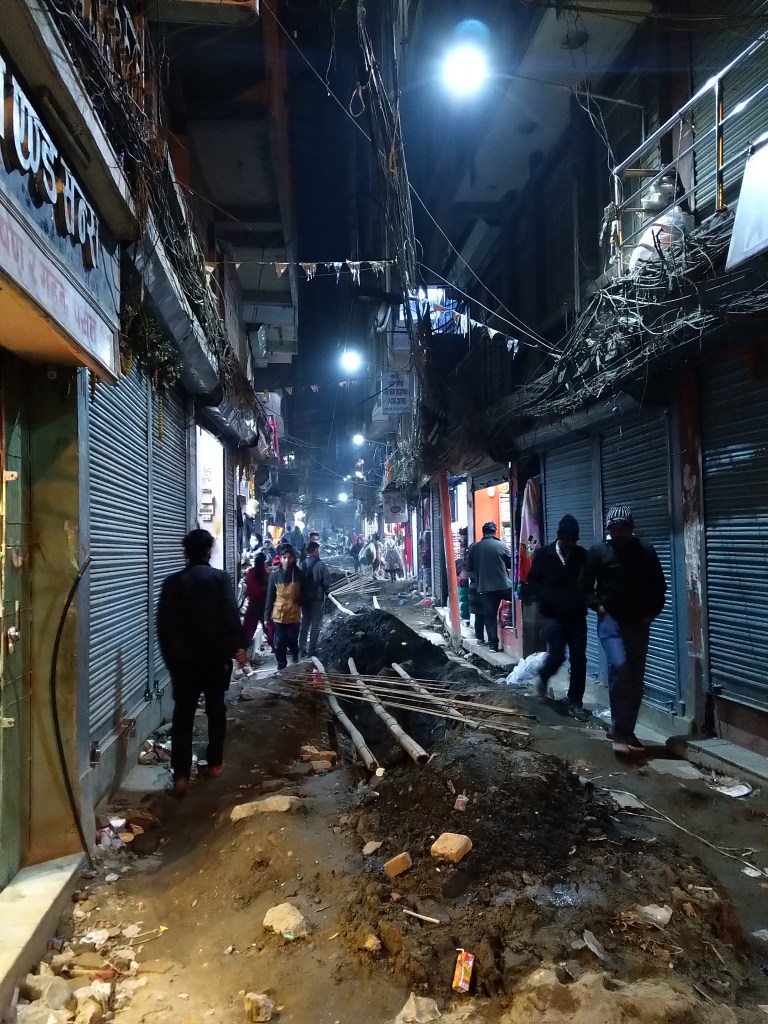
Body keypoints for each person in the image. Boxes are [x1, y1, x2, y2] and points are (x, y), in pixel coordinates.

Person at [156, 529, 246, 798]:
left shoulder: (172, 583)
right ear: (208, 551)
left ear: (186, 552)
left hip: (183, 662)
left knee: (182, 716)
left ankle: (181, 775)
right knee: (216, 708)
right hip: (215, 658)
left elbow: (163, 626)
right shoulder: (220, 579)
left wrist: (171, 661)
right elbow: (230, 614)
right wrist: (239, 647)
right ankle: (215, 762)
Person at [580, 504, 667, 755]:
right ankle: (619, 732)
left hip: (639, 621)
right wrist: (599, 607)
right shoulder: (599, 552)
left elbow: (658, 585)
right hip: (611, 620)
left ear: (631, 528)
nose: (618, 533)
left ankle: (627, 730)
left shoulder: (646, 550)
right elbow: (584, 586)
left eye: (623, 528)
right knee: (619, 667)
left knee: (636, 677)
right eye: (614, 529)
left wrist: (652, 613)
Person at [528, 514, 589, 719]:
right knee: (557, 654)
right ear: (559, 537)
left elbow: (590, 581)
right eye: (566, 540)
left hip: (576, 616)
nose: (569, 545)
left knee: (579, 658)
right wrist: (543, 597)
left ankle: (575, 701)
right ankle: (544, 675)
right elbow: (532, 581)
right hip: (553, 615)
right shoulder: (544, 555)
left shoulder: (582, 556)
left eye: (573, 541)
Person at [465, 521, 512, 652]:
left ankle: (493, 645)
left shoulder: (474, 548)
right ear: (495, 531)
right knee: (518, 600)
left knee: (489, 616)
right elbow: (511, 563)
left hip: (485, 588)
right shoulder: (502, 545)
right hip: (503, 585)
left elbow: (469, 568)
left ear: (483, 532)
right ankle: (517, 625)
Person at [265, 544, 306, 670]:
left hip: (294, 613)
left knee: (292, 640)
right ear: (280, 558)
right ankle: (281, 666)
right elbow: (270, 596)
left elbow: (306, 592)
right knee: (279, 643)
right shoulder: (274, 575)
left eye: (289, 557)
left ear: (293, 558)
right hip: (279, 614)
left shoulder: (299, 574)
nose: (287, 560)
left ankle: (295, 653)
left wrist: (301, 601)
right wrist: (266, 616)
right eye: (284, 557)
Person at [299, 540, 330, 657]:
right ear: (315, 550)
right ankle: (311, 650)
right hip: (317, 598)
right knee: (316, 625)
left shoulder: (301, 564)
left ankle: (302, 649)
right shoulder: (320, 564)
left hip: (304, 599)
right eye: (318, 549)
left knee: (305, 624)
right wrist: (326, 591)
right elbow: (327, 581)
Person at [242, 551, 269, 652]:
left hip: (253, 605)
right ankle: (277, 648)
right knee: (269, 629)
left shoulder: (251, 573)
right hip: (263, 605)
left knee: (248, 630)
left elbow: (250, 590)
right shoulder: (266, 574)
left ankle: (242, 650)